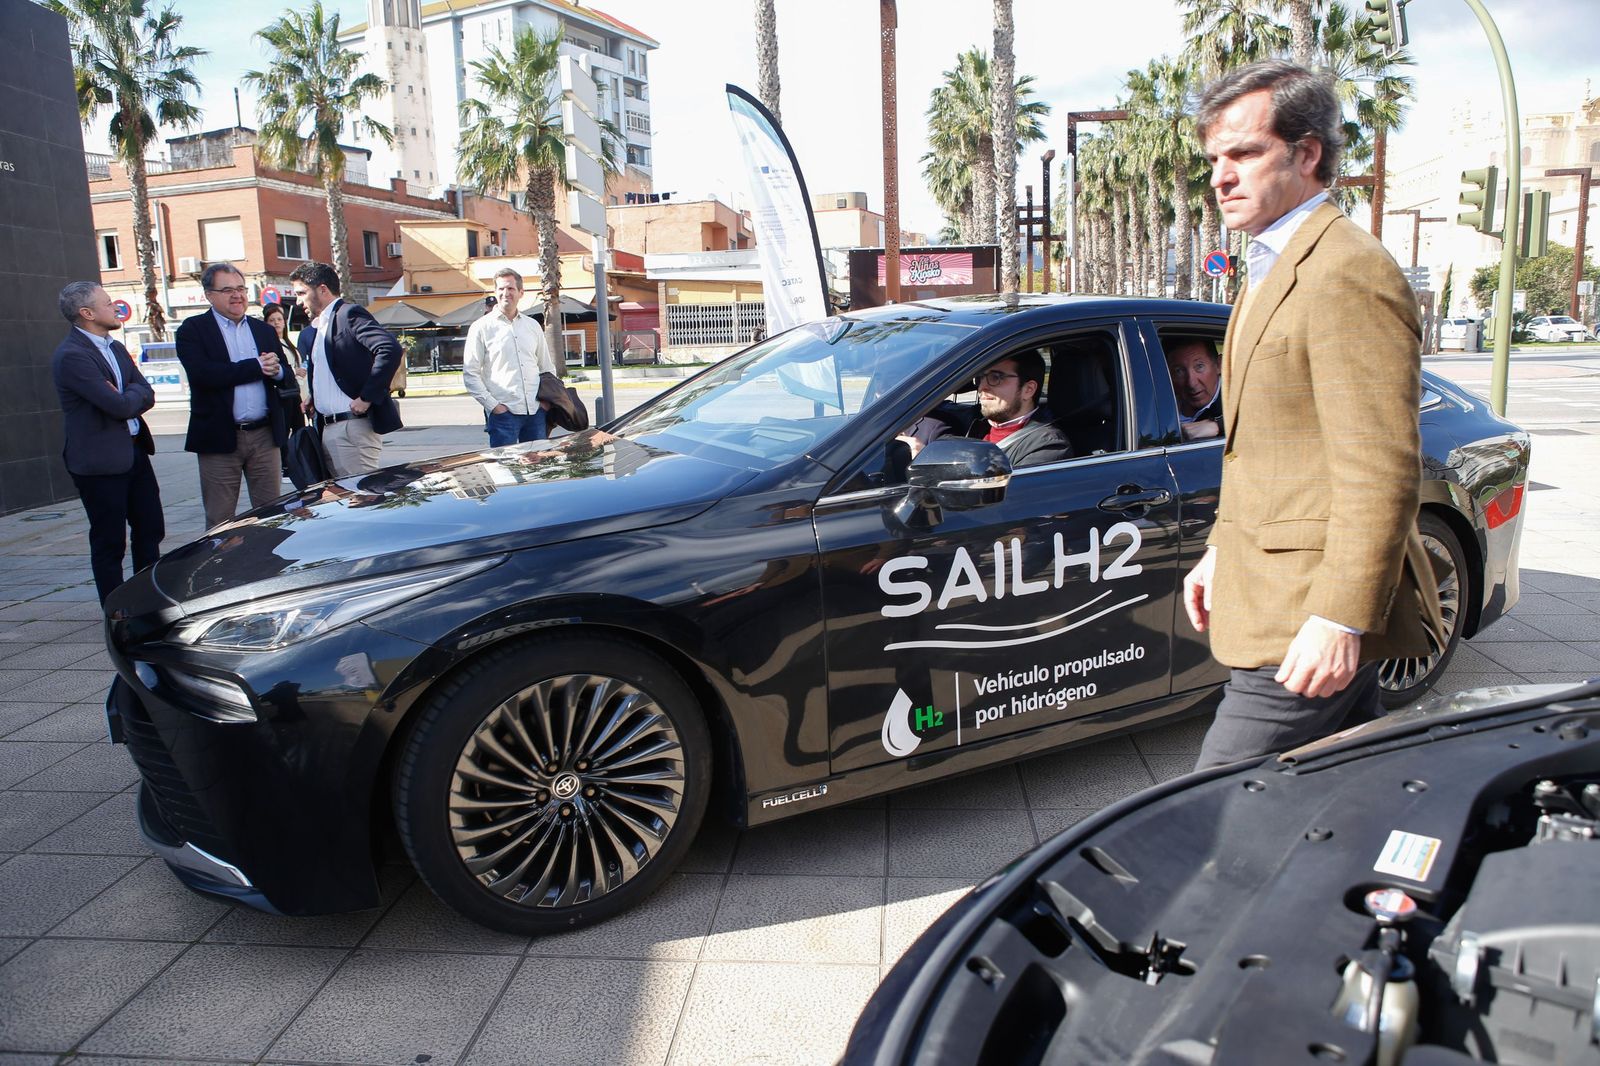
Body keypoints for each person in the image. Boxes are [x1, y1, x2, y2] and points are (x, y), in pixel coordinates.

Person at [1182, 60, 1445, 770]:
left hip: (1306, 608)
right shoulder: (1278, 259)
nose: (1220, 177)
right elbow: (1269, 447)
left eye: (1243, 153)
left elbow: (1379, 464)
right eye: (1214, 158)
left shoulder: (1345, 269)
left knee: (1215, 807)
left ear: (1307, 154)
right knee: (1338, 797)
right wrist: (1219, 549)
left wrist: (1339, 618)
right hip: (1273, 587)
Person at [50, 282, 164, 604]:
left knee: (150, 529)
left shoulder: (113, 346)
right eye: (107, 302)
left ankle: (147, 600)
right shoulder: (72, 356)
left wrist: (130, 393)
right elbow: (120, 406)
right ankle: (116, 609)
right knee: (110, 541)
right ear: (87, 313)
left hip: (134, 452)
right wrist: (131, 395)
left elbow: (145, 392)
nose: (114, 307)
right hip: (99, 462)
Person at [175, 264, 289, 528]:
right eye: (227, 290)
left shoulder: (263, 330)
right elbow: (204, 374)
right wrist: (256, 367)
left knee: (273, 516)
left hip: (264, 435)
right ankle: (219, 568)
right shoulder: (193, 330)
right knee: (220, 519)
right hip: (219, 437)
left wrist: (277, 371)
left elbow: (286, 375)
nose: (237, 295)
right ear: (209, 295)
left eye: (240, 288)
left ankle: (269, 565)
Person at [289, 261, 404, 477]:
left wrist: (367, 396)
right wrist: (315, 396)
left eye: (301, 293)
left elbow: (389, 348)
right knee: (345, 503)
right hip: (327, 428)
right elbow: (333, 368)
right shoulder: (318, 327)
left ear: (322, 289)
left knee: (363, 501)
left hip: (351, 429)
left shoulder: (348, 314)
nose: (297, 301)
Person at [462, 268, 557, 447]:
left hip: (535, 412)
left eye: (511, 289)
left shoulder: (532, 326)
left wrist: (546, 403)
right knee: (505, 471)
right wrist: (494, 407)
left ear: (521, 292)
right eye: (501, 289)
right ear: (495, 292)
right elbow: (470, 373)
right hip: (503, 415)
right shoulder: (481, 327)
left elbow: (546, 367)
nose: (506, 293)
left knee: (538, 471)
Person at [262, 302, 307, 479]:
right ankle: (287, 464)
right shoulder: (270, 343)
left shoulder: (288, 343)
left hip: (296, 392)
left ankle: (299, 461)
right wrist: (294, 372)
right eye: (272, 320)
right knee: (287, 429)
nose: (277, 323)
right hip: (284, 394)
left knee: (299, 429)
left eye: (279, 319)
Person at [1166, 338, 1223, 440]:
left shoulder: (1236, 399)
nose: (1191, 383)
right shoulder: (1159, 399)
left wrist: (1218, 425)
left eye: (1199, 366)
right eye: (1179, 371)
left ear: (1219, 364)